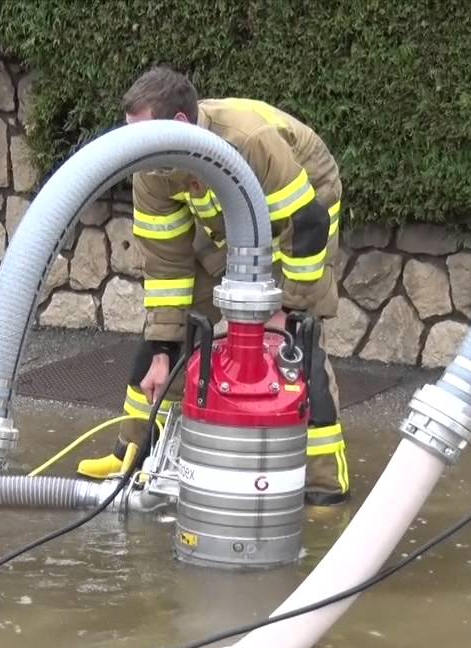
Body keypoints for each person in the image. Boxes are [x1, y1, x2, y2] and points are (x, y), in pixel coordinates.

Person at [77, 66, 349, 506]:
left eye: (140, 134)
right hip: (225, 215)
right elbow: (167, 264)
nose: (132, 147)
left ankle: (322, 483)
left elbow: (307, 223)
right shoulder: (152, 164)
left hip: (302, 210)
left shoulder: (249, 141)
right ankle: (133, 452)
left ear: (180, 127)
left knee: (293, 345)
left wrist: (287, 311)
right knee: (177, 328)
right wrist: (165, 350)